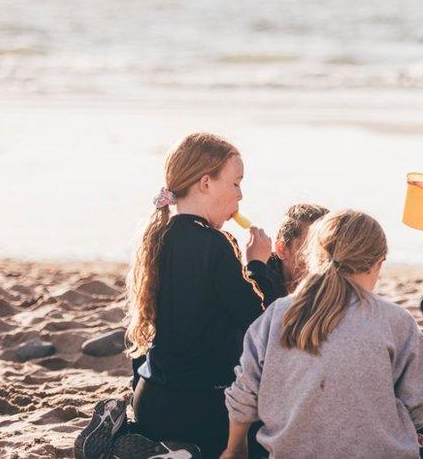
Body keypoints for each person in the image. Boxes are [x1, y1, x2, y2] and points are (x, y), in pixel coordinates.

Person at [222, 210, 423, 458]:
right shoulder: (397, 321)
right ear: (377, 263)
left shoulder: (277, 313)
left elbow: (244, 394)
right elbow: (417, 414)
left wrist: (235, 450)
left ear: (317, 256)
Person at [77, 133, 277, 459]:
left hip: (150, 399)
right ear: (206, 183)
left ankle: (131, 436)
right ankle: (183, 452)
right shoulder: (215, 244)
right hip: (199, 406)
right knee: (262, 442)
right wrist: (257, 265)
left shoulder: (158, 237)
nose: (240, 195)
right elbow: (259, 320)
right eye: (236, 183)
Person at [265, 203, 329, 296]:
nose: (323, 260)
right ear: (281, 250)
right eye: (311, 251)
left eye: (329, 249)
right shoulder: (258, 290)